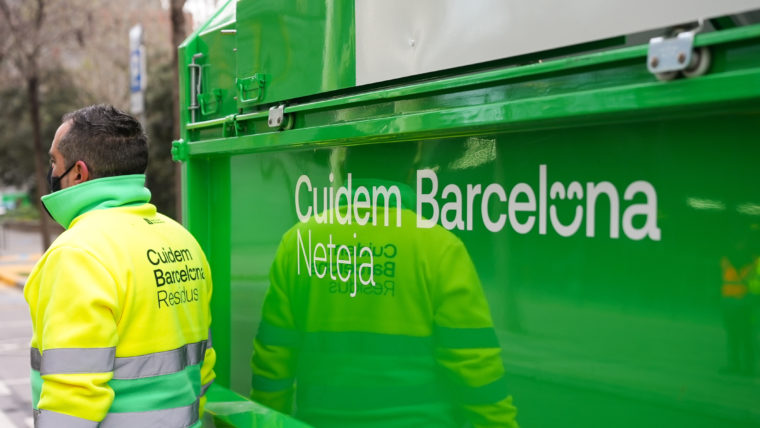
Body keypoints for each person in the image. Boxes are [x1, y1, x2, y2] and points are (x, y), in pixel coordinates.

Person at [250, 145, 519, 427]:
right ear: (411, 172)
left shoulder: (297, 243)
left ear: (343, 167)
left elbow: (272, 364)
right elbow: (477, 370)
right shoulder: (441, 248)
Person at [25, 105, 215, 427]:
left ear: (79, 173)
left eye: (54, 162)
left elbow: (71, 399)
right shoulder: (184, 241)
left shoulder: (78, 254)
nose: (51, 171)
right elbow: (203, 368)